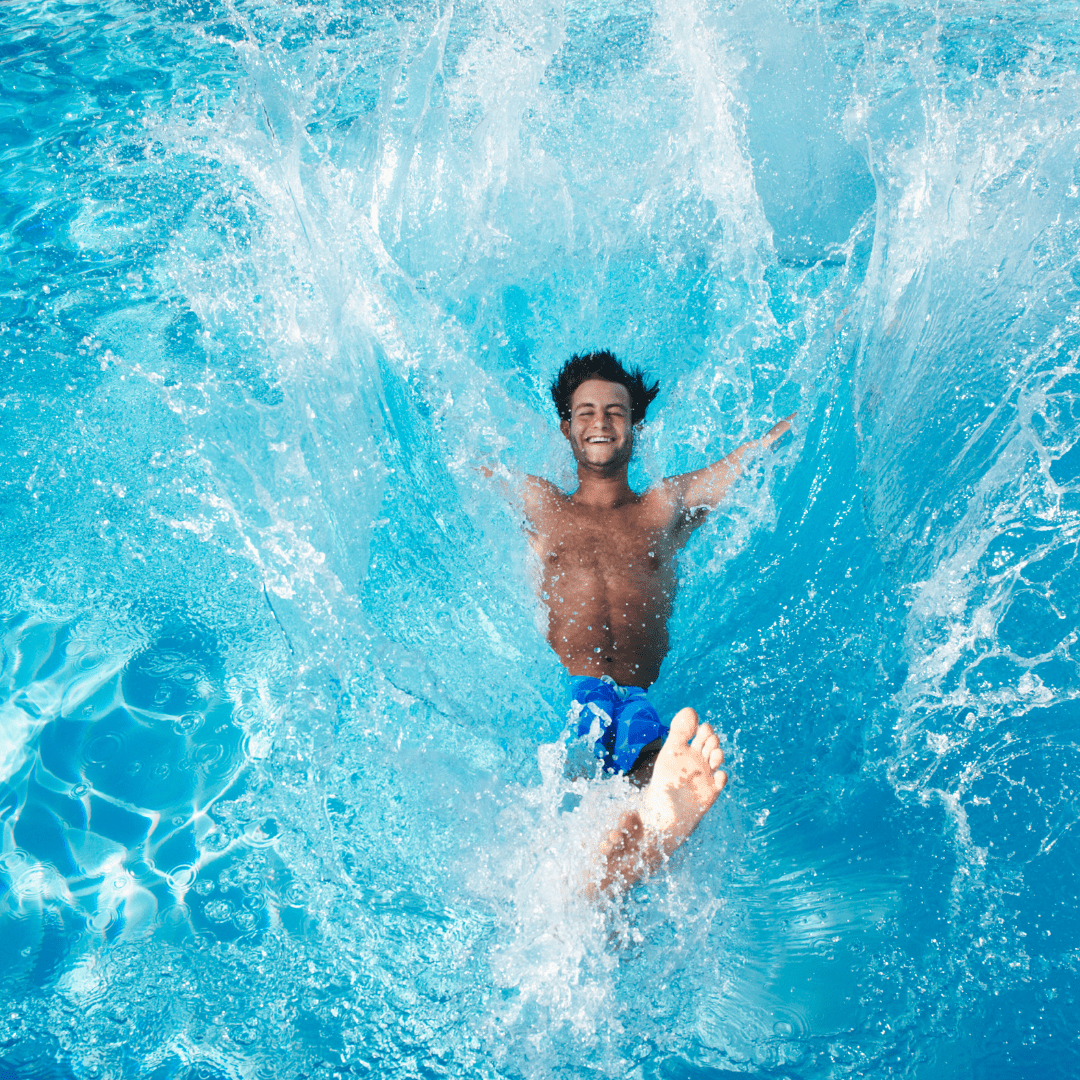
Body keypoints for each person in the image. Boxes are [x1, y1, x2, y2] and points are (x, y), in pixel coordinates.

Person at [500, 350, 794, 896]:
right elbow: (472, 472)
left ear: (635, 424)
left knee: (653, 758)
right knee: (581, 775)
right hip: (573, 691)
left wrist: (796, 421)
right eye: (585, 412)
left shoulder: (663, 507)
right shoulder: (543, 505)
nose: (600, 423)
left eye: (616, 411)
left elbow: (746, 461)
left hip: (637, 695)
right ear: (566, 427)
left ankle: (649, 824)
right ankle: (623, 853)